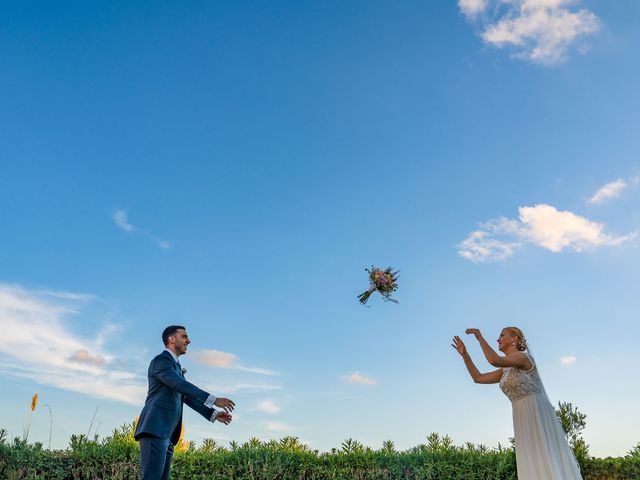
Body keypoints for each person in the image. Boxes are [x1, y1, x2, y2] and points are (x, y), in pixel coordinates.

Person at [452, 327, 583, 480]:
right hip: (520, 416)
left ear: (514, 339)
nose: (498, 339)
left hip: (536, 413)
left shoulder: (523, 358)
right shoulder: (504, 370)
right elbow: (478, 378)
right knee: (531, 460)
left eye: (502, 335)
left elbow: (494, 360)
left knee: (544, 455)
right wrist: (465, 355)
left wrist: (480, 338)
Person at [134, 325, 235, 480]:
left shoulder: (176, 367)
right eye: (184, 336)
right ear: (172, 339)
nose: (189, 340)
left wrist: (213, 414)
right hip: (155, 429)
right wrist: (214, 399)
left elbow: (186, 396)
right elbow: (181, 386)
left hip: (168, 434)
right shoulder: (161, 361)